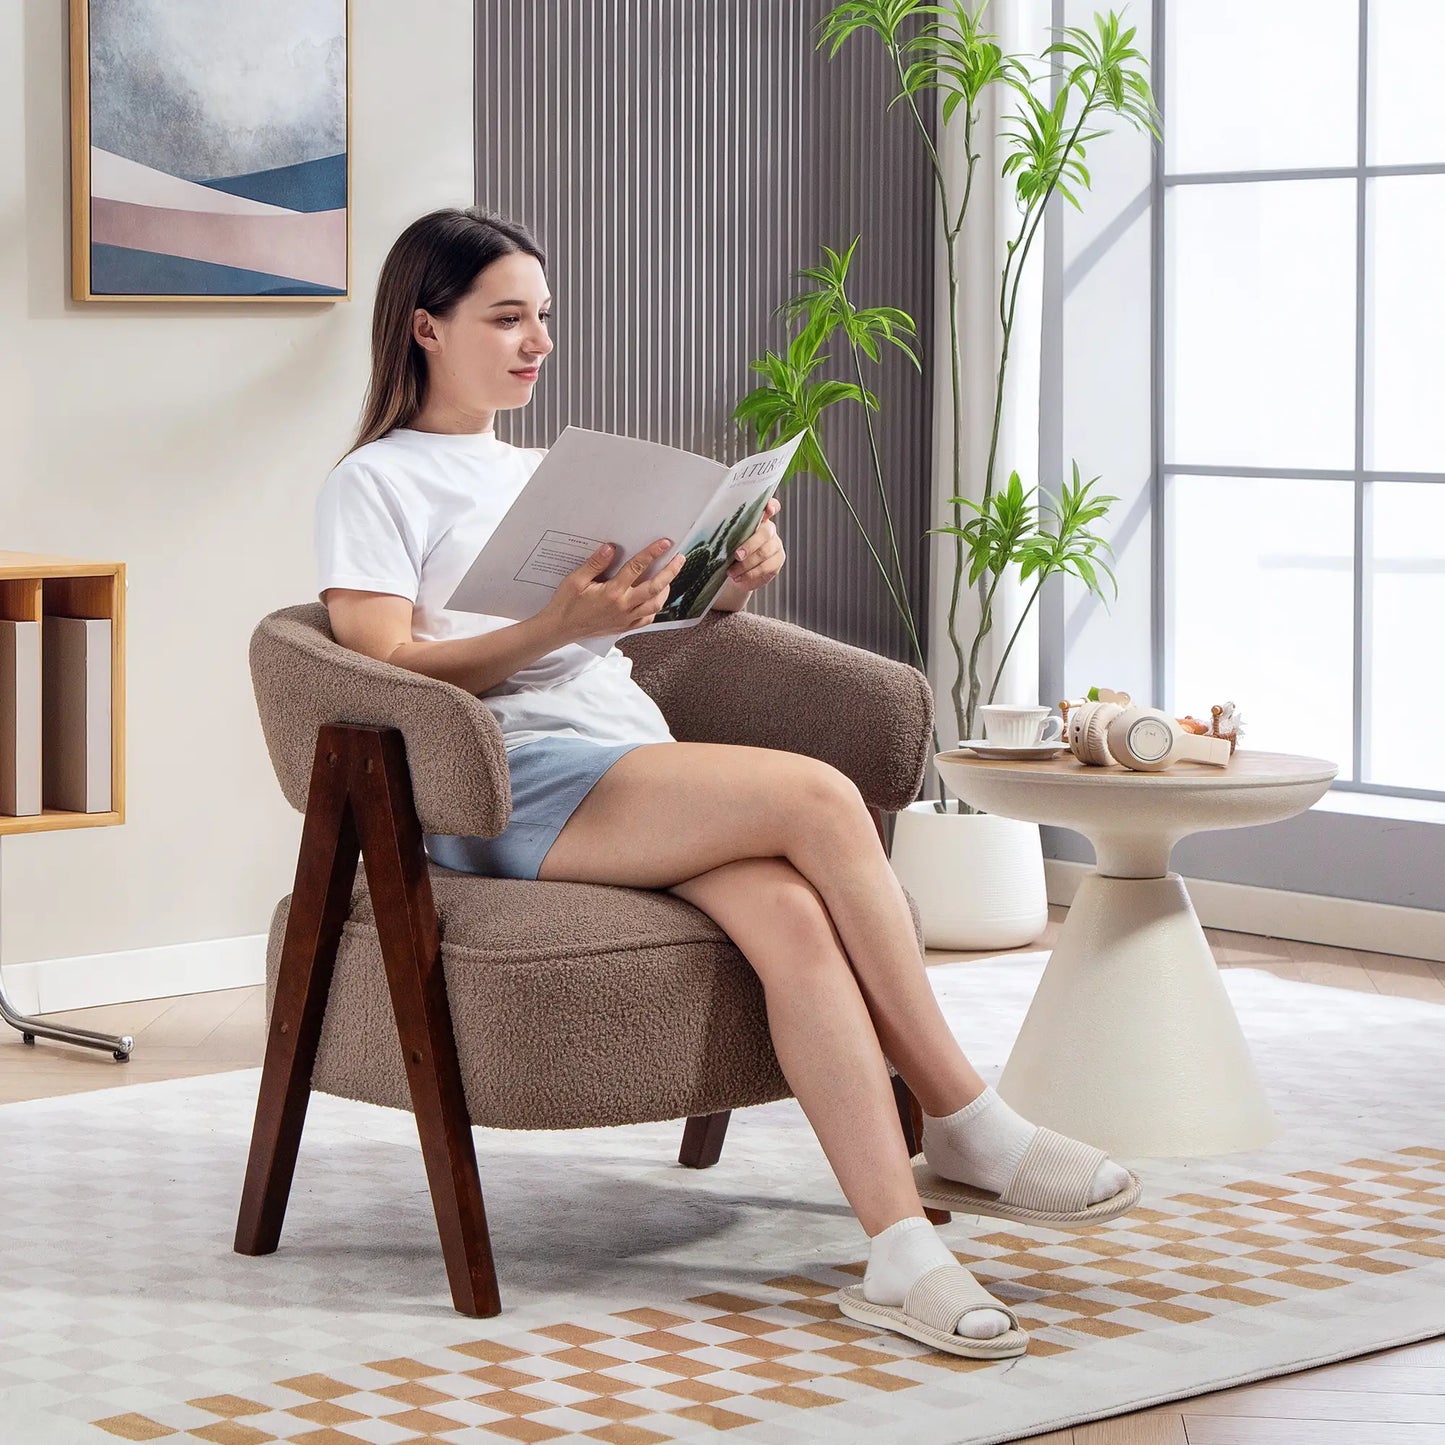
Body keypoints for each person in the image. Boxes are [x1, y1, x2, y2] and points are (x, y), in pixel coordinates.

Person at [315, 206, 1139, 1360]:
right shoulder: (375, 481)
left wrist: (723, 577)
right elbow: (385, 664)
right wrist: (554, 621)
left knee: (792, 915)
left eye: (543, 317)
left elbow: (615, 637)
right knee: (816, 798)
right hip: (501, 780)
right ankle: (963, 1115)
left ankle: (899, 1249)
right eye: (505, 317)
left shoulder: (540, 470)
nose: (535, 340)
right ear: (423, 329)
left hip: (621, 747)